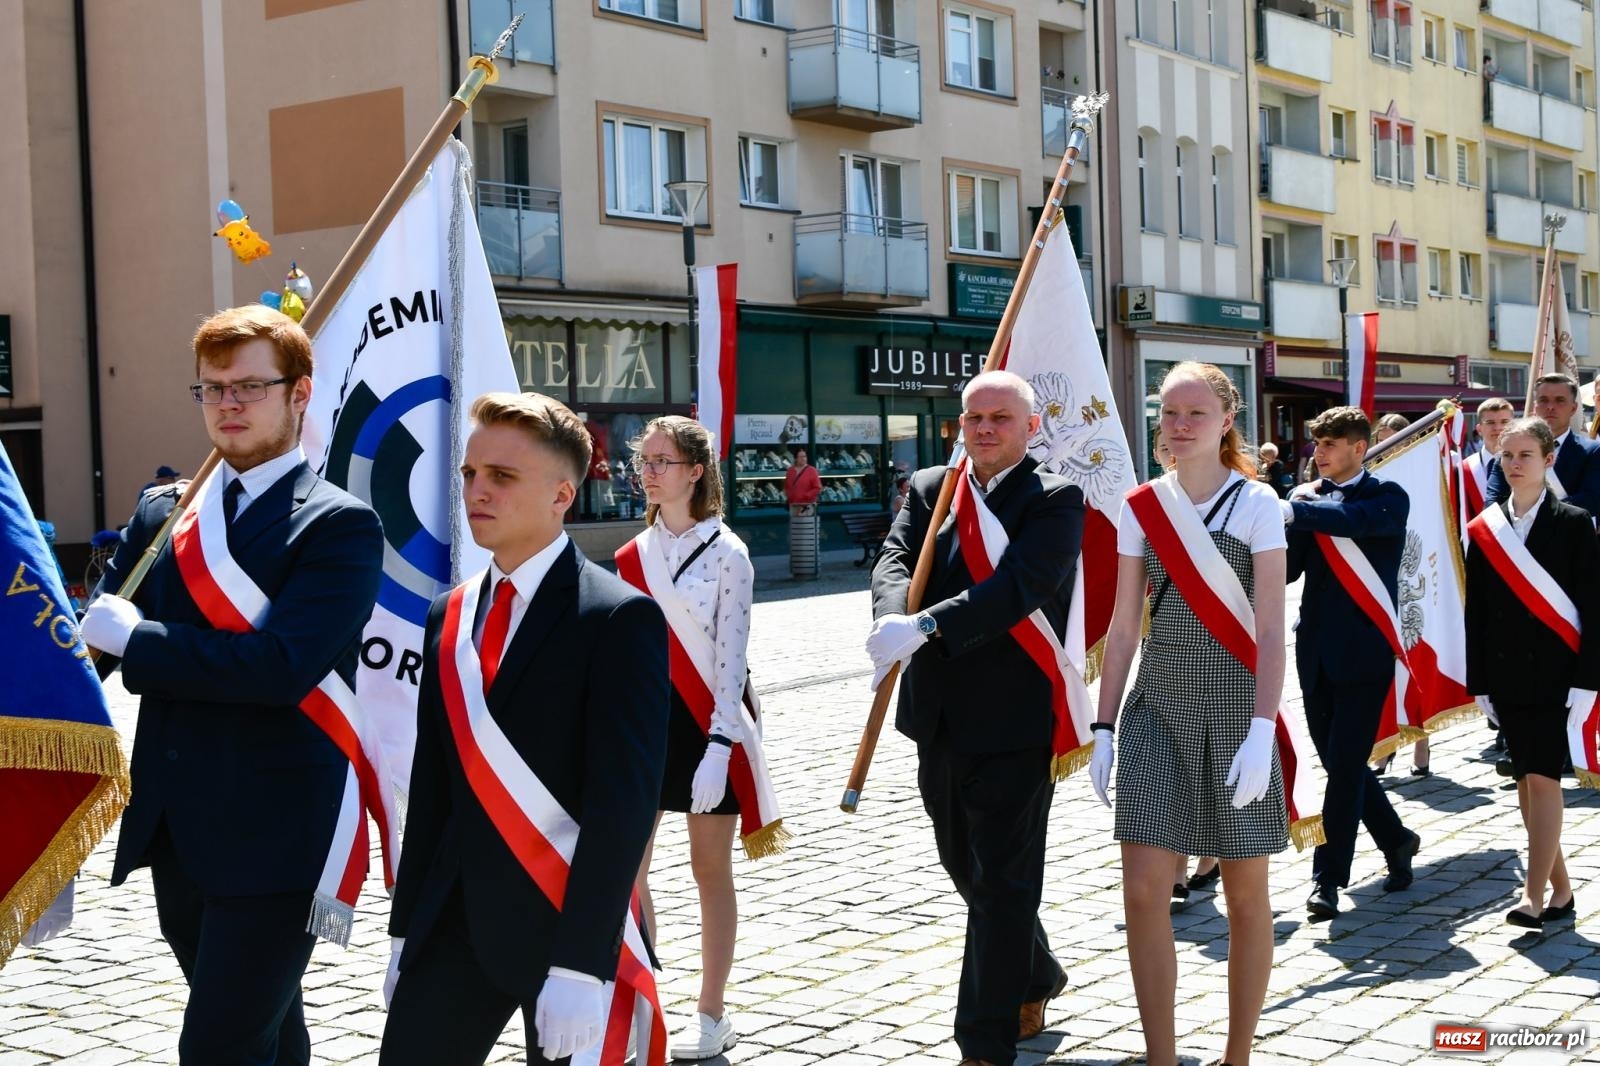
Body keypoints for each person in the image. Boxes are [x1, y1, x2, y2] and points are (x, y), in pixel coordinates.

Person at [78, 306, 384, 1065]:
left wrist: (138, 640)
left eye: (250, 386)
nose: (229, 405)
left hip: (278, 835)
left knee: (218, 1046)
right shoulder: (168, 511)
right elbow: (93, 651)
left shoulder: (339, 525)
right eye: (212, 389)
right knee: (269, 1034)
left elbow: (280, 668)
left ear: (300, 393)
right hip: (178, 827)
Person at [381, 392, 670, 1066]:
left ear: (562, 495)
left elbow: (622, 806)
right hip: (453, 921)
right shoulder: (446, 617)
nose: (477, 491)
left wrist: (581, 963)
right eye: (470, 474)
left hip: (562, 918)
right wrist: (405, 932)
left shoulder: (617, 618)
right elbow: (433, 787)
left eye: (502, 477)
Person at [867, 370, 1085, 1066]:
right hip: (937, 714)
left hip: (1017, 718)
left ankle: (983, 1045)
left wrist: (925, 625)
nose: (984, 429)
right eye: (973, 418)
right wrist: (892, 617)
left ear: (1030, 429)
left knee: (1003, 881)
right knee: (967, 867)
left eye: (1000, 418)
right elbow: (895, 557)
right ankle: (1037, 972)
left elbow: (1023, 586)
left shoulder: (1054, 499)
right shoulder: (934, 488)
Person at [1091, 362, 1287, 1066]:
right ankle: (1161, 1057)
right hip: (1159, 708)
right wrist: (1104, 724)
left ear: (1226, 420)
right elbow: (1120, 628)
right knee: (1144, 890)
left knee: (1244, 893)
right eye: (1169, 412)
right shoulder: (1142, 505)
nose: (1178, 425)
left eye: (1195, 413)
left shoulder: (1258, 504)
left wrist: (1265, 728)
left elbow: (1269, 628)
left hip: (1238, 714)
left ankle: (1237, 1056)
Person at [619, 416, 784, 1062]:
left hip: (706, 723)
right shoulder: (636, 553)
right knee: (628, 871)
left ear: (695, 471)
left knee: (707, 868)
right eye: (645, 460)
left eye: (662, 461)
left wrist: (720, 746)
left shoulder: (728, 554)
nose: (649, 471)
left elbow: (730, 657)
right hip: (644, 724)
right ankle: (641, 1005)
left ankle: (711, 1014)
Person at [1282, 406, 1420, 920]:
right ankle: (1397, 838)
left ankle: (1327, 880)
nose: (1318, 453)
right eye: (1316, 444)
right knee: (1343, 764)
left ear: (1359, 448)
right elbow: (1291, 571)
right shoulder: (1308, 500)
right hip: (1314, 650)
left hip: (1365, 652)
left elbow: (1354, 522)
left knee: (1341, 770)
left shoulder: (1385, 498)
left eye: (1330, 444)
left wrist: (1295, 511)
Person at [1465, 417, 1599, 929]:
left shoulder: (1573, 522)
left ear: (1549, 460)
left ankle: (1533, 895)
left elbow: (1593, 607)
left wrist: (1590, 679)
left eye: (1526, 455)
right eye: (1507, 455)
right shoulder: (1486, 526)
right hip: (1504, 675)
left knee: (1543, 780)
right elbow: (1475, 611)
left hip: (1557, 673)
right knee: (1525, 782)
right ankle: (1562, 890)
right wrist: (1478, 682)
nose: (1515, 464)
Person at [1486, 373, 1600, 520]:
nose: (1551, 407)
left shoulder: (1592, 451)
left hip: (1569, 538)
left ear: (1573, 408)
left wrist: (1536, 515)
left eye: (1560, 401)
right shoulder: (1508, 452)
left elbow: (1592, 500)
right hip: (1517, 537)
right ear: (1535, 406)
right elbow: (1493, 502)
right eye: (1543, 400)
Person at [1463, 397, 1514, 520]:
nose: (1498, 428)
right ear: (1479, 429)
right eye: (1490, 422)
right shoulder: (1463, 469)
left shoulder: (1525, 465)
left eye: (1504, 422)